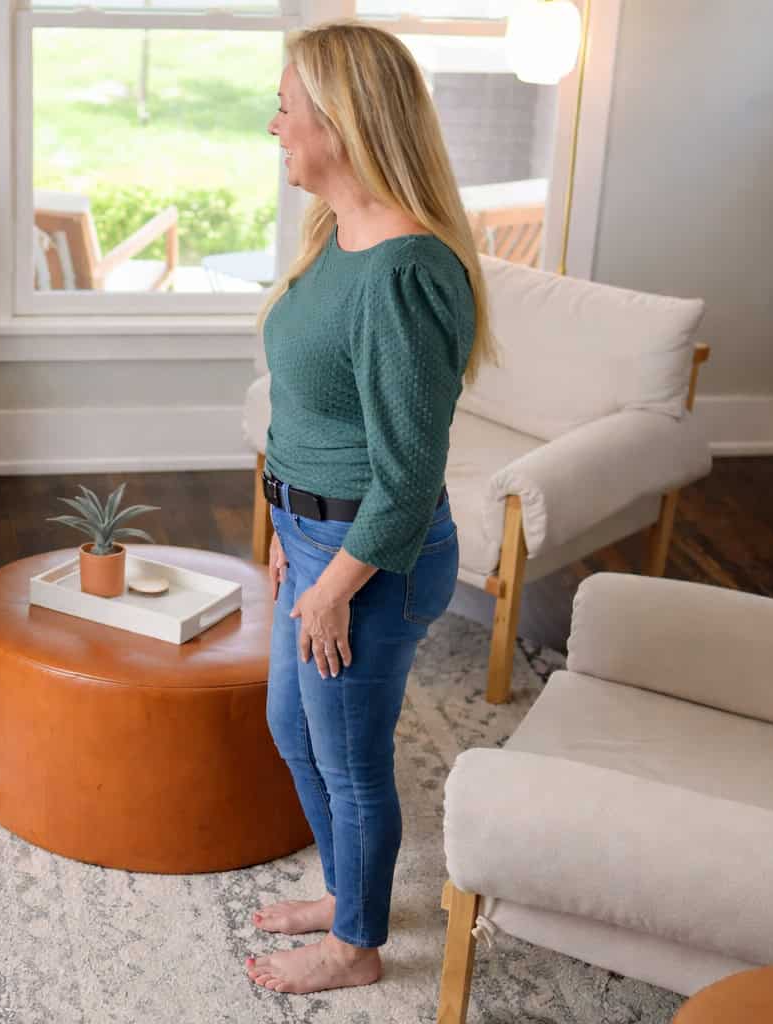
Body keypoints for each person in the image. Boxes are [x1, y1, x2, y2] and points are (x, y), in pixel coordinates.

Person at [244, 22, 494, 993]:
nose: (274, 126)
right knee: (291, 726)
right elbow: (304, 410)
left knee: (350, 758)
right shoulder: (337, 237)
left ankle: (356, 944)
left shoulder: (400, 271)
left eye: (286, 108)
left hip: (371, 557)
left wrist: (337, 582)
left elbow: (409, 470)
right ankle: (351, 891)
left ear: (340, 125)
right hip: (310, 539)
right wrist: (280, 534)